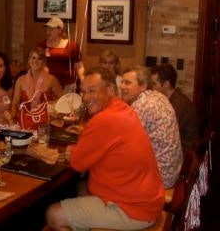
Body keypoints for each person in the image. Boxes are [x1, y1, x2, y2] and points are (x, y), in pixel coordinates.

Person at [44, 67, 164, 231]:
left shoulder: (104, 119)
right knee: (81, 188)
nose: (86, 97)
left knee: (53, 213)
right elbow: (105, 143)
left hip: (134, 210)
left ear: (110, 90)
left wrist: (73, 150)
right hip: (148, 199)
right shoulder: (123, 108)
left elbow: (77, 163)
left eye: (92, 91)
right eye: (83, 92)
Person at [120, 65, 183, 189]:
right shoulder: (158, 96)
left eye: (127, 83)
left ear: (143, 86)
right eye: (121, 82)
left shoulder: (142, 105)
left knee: (111, 171)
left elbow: (123, 142)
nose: (122, 87)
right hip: (173, 172)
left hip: (161, 177)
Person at [150, 63, 200, 151]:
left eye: (154, 84)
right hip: (177, 147)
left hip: (184, 153)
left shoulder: (178, 104)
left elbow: (164, 135)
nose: (151, 88)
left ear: (166, 84)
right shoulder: (172, 99)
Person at [11, 47, 62, 121]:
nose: (36, 61)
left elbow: (62, 100)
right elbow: (15, 103)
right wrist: (12, 120)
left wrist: (51, 106)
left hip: (46, 122)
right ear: (29, 60)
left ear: (44, 62)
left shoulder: (52, 80)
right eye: (33, 58)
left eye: (39, 59)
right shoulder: (20, 80)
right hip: (25, 121)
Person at [37, 17, 81, 91]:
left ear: (60, 30)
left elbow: (79, 66)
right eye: (47, 29)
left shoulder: (72, 45)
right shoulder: (41, 46)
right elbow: (35, 64)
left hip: (67, 86)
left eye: (51, 29)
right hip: (47, 85)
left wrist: (84, 81)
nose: (48, 31)